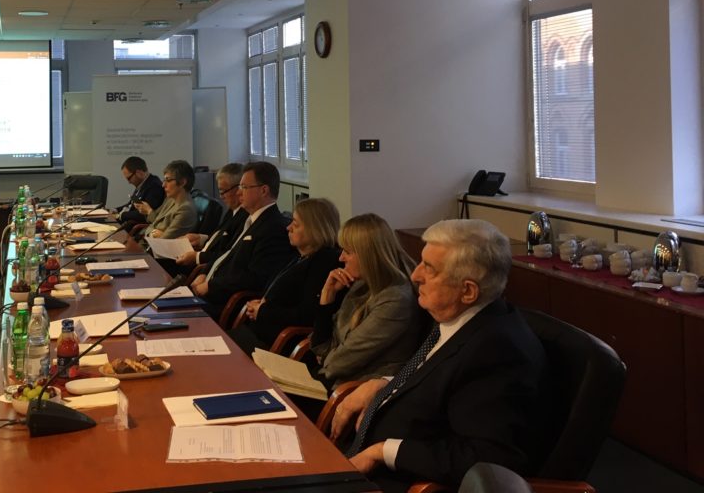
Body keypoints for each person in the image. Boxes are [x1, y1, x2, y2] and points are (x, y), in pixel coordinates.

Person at [331, 219, 545, 493]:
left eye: (429, 268)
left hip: (391, 483)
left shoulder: (498, 351)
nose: (415, 275)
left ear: (468, 291)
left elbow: (486, 458)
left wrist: (384, 451)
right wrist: (383, 383)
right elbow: (436, 380)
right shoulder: (459, 319)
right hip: (357, 459)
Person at [309, 213, 424, 388]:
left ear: (368, 255)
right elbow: (322, 347)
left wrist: (327, 358)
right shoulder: (363, 284)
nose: (340, 258)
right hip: (335, 379)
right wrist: (327, 296)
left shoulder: (395, 300)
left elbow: (339, 362)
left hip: (353, 390)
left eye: (347, 252)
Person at [230, 197, 342, 355]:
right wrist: (261, 303)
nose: (288, 228)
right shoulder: (299, 256)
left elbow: (306, 315)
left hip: (278, 343)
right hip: (258, 333)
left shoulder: (323, 262)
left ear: (314, 228)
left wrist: (263, 310)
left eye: (295, 224)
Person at [190, 161, 295, 320]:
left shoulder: (273, 228)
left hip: (226, 304)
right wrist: (205, 273)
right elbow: (227, 254)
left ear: (264, 190)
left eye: (244, 187)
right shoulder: (250, 220)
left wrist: (211, 285)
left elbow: (254, 278)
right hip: (211, 292)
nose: (239, 193)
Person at [174, 163, 246, 270]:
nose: (221, 196)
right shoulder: (232, 210)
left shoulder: (245, 216)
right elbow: (221, 237)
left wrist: (197, 257)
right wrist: (201, 238)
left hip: (207, 265)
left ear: (238, 189)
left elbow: (229, 253)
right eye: (220, 191)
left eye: (223, 191)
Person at [132, 159, 197, 240]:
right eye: (164, 180)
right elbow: (155, 222)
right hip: (149, 241)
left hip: (155, 246)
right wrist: (153, 232)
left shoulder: (185, 209)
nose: (163, 185)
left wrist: (152, 232)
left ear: (182, 182)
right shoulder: (170, 199)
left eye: (168, 180)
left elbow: (163, 241)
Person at [115, 156, 164, 232]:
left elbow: (143, 214)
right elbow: (130, 205)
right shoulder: (143, 183)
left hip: (137, 229)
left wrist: (121, 215)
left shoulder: (155, 186)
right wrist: (115, 210)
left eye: (129, 178)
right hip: (128, 224)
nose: (129, 182)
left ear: (138, 173)